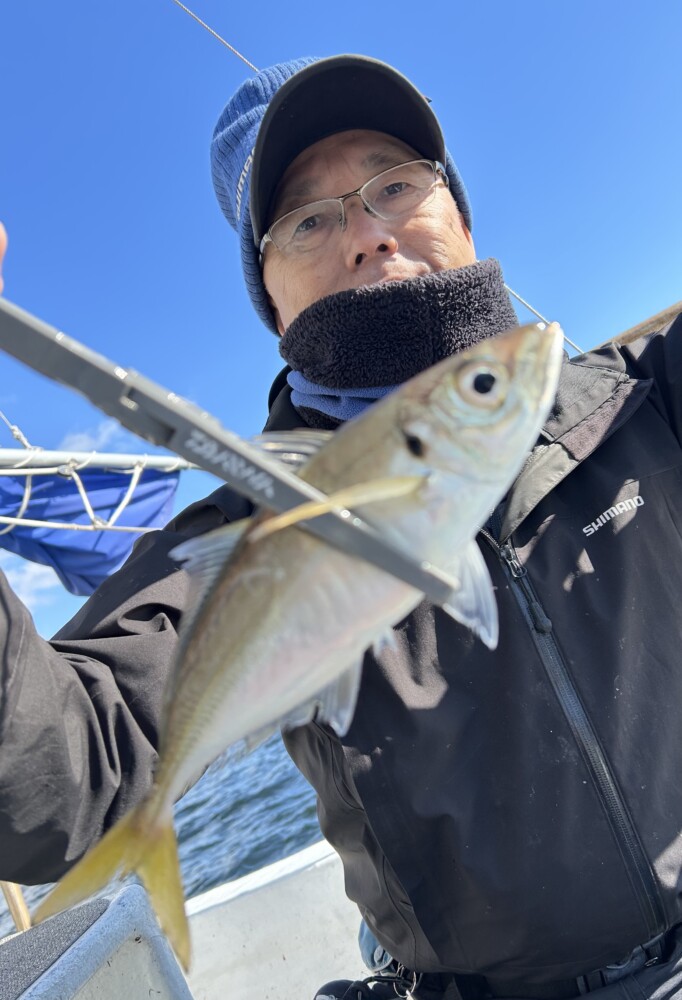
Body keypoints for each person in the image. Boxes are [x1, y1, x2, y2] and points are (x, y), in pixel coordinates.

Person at [1, 54, 682, 1000]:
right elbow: (63, 777)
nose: (366, 234)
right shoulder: (248, 531)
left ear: (459, 210)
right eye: (307, 220)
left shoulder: (646, 393)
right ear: (269, 296)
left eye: (394, 182)